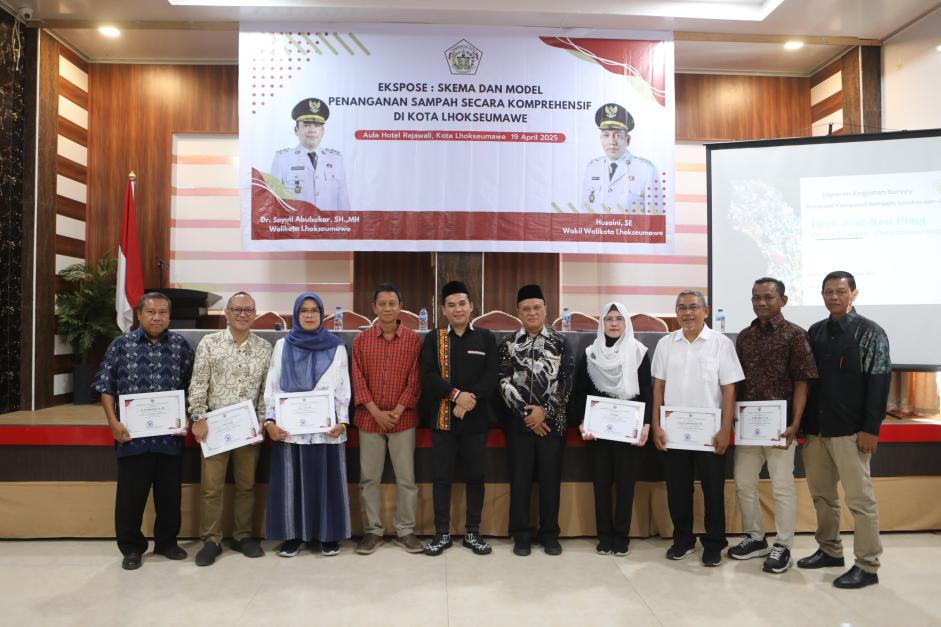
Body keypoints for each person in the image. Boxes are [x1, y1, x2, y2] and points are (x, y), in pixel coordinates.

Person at [797, 271, 891, 589]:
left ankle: (867, 564)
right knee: (822, 496)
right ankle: (829, 550)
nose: (834, 297)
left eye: (840, 291)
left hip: (851, 432)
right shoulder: (815, 332)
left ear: (854, 294)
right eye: (828, 291)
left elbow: (879, 383)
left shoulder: (870, 333)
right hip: (816, 431)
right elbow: (808, 382)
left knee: (860, 501)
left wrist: (871, 429)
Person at [92, 292, 194, 571]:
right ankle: (131, 548)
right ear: (139, 314)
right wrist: (112, 422)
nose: (157, 317)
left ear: (169, 316)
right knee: (130, 497)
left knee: (169, 495)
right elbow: (105, 386)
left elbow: (191, 385)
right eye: (151, 312)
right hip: (132, 437)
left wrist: (186, 416)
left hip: (169, 437)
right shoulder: (120, 345)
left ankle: (167, 543)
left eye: (163, 312)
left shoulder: (180, 346)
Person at [651, 289, 744, 567]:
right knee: (677, 489)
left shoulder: (720, 344)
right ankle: (683, 539)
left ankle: (714, 543)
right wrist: (656, 424)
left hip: (710, 433)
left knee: (713, 489)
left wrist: (725, 428)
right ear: (676, 313)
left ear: (705, 311)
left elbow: (729, 389)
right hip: (674, 432)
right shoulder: (666, 344)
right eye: (681, 308)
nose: (687, 312)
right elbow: (658, 387)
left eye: (693, 307)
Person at [730, 278, 817, 573]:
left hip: (781, 427)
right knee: (744, 483)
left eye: (768, 297)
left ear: (783, 300)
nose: (761, 302)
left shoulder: (795, 334)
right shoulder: (744, 337)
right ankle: (756, 538)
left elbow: (802, 382)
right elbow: (737, 381)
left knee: (782, 486)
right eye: (756, 297)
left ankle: (783, 544)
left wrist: (796, 422)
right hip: (748, 426)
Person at [262, 292, 351, 557]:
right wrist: (270, 420)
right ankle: (293, 536)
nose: (309, 315)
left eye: (314, 310)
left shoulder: (336, 346)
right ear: (296, 314)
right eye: (304, 310)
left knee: (327, 482)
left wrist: (343, 422)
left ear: (322, 315)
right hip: (290, 430)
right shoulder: (282, 345)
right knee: (291, 484)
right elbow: (273, 386)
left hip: (326, 429)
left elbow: (342, 387)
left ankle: (328, 535)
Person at [187, 291, 273, 566]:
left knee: (246, 485)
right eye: (237, 309)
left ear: (255, 314)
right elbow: (198, 383)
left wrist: (261, 422)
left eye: (248, 310)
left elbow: (266, 391)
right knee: (211, 488)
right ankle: (211, 540)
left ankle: (242, 536)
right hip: (214, 428)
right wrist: (198, 417)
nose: (242, 314)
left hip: (248, 429)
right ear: (227, 312)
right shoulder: (209, 343)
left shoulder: (264, 348)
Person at [421, 281, 498, 556]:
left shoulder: (486, 338)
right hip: (443, 421)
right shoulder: (435, 338)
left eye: (462, 304)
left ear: (471, 306)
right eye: (451, 305)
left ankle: (472, 532)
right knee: (442, 478)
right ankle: (441, 533)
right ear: (443, 310)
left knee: (475, 477)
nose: (458, 309)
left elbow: (491, 376)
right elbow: (428, 377)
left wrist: (468, 401)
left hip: (476, 422)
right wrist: (456, 396)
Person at [498, 284, 575, 556]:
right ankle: (521, 534)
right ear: (518, 312)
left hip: (553, 423)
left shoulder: (561, 342)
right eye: (526, 308)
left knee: (550, 480)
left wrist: (545, 411)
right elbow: (503, 382)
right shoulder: (508, 344)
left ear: (546, 309)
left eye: (537, 308)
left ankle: (550, 533)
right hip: (519, 424)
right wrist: (527, 414)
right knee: (519, 480)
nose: (532, 313)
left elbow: (566, 382)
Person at [351, 283, 424, 555]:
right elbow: (358, 380)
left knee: (406, 478)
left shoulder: (413, 340)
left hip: (402, 420)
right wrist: (376, 412)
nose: (387, 308)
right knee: (369, 478)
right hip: (369, 420)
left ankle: (406, 530)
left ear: (400, 306)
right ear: (374, 307)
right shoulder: (361, 340)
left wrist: (397, 411)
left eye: (392, 303)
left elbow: (415, 381)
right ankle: (373, 531)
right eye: (382, 304)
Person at [574, 302, 652, 556]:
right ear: (602, 323)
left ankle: (621, 536)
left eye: (619, 318)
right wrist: (583, 422)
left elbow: (646, 391)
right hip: (598, 431)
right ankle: (604, 536)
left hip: (628, 430)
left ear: (626, 322)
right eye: (609, 319)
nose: (614, 323)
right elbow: (581, 392)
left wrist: (646, 424)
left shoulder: (638, 352)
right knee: (601, 484)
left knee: (626, 484)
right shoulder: (591, 354)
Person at [270, 97, 351, 211]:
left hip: (328, 222)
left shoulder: (335, 159)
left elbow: (343, 202)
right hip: (297, 222)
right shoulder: (282, 159)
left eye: (317, 125)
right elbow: (274, 202)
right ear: (296, 130)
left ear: (323, 131)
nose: (312, 130)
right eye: (306, 124)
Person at [581, 102, 662, 214]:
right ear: (601, 138)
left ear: (627, 140)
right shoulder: (592, 167)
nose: (612, 142)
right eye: (606, 135)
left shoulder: (646, 170)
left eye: (618, 135)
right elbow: (585, 213)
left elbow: (654, 217)